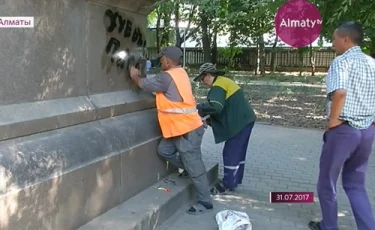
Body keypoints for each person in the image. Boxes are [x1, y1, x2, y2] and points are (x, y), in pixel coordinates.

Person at [128, 46, 213, 215]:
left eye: (161, 59)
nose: (160, 61)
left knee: (195, 166)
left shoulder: (167, 77)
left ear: (167, 60)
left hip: (187, 130)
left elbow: (141, 83)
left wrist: (134, 72)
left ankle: (205, 201)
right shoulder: (180, 73)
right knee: (164, 150)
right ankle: (190, 169)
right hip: (179, 129)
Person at [308, 21, 375, 230]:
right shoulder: (372, 63)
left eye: (334, 39)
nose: (332, 43)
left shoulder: (341, 62)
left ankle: (329, 226)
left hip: (344, 130)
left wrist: (333, 123)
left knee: (327, 182)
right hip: (367, 131)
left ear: (346, 39)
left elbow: (340, 92)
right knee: (356, 184)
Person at [193, 63, 257, 195]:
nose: (201, 81)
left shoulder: (218, 86)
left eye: (202, 78)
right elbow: (225, 108)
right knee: (239, 152)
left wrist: (198, 108)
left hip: (239, 123)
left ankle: (226, 184)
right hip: (246, 120)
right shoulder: (224, 82)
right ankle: (235, 180)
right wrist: (208, 120)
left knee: (230, 152)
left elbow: (216, 107)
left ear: (209, 75)